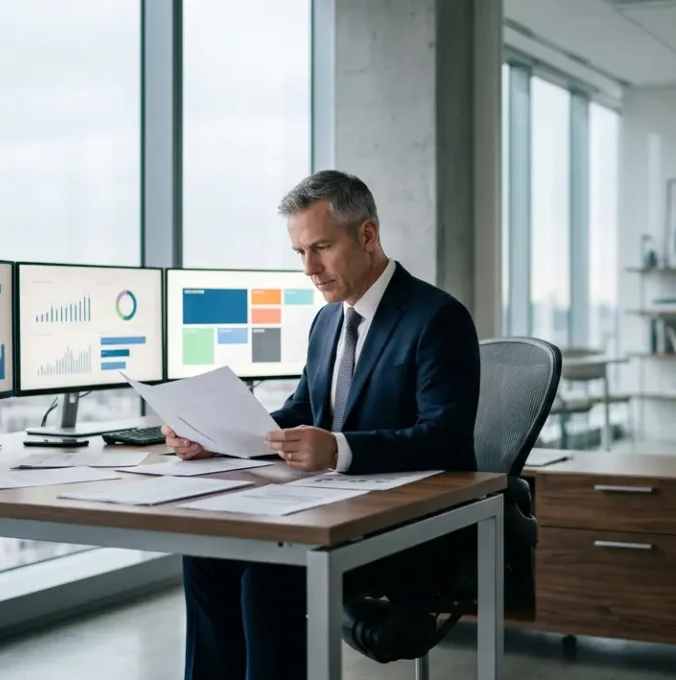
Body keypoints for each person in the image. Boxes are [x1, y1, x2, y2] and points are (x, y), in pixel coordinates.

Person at [168, 169, 481, 680]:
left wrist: (339, 450)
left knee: (269, 578)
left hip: (405, 528)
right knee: (206, 558)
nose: (309, 268)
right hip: (324, 508)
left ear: (367, 235)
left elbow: (444, 439)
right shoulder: (327, 320)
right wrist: (216, 435)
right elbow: (301, 411)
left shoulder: (437, 318)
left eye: (321, 248)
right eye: (299, 253)